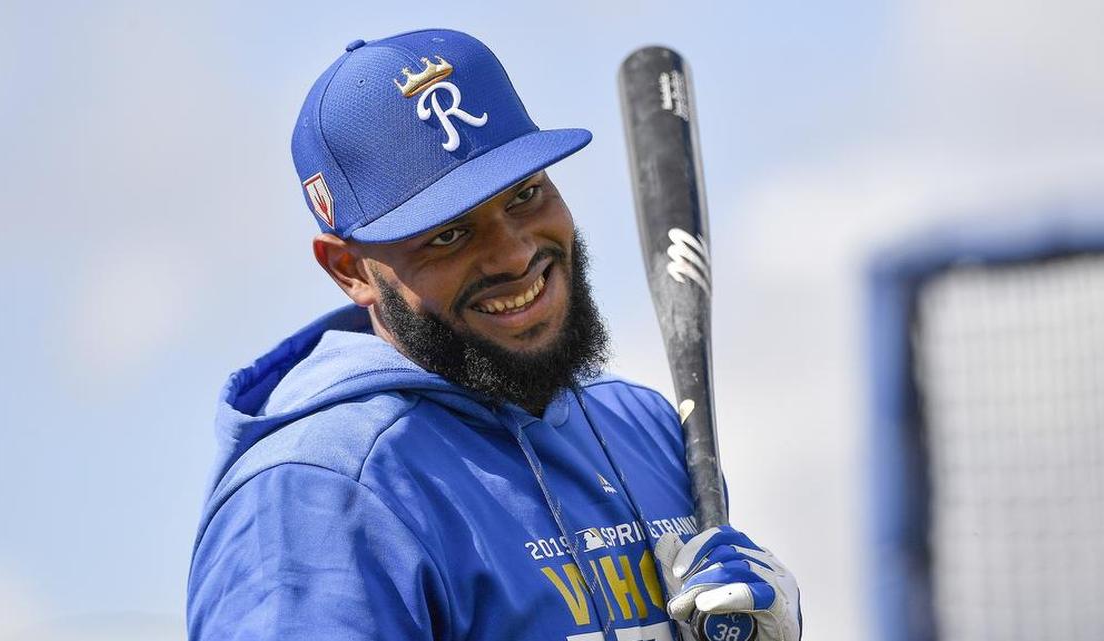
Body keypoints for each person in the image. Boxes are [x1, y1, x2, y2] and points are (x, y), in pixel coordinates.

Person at [186, 28, 800, 641]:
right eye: (449, 234)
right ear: (350, 270)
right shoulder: (317, 496)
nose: (514, 255)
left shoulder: (645, 426)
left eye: (525, 195)